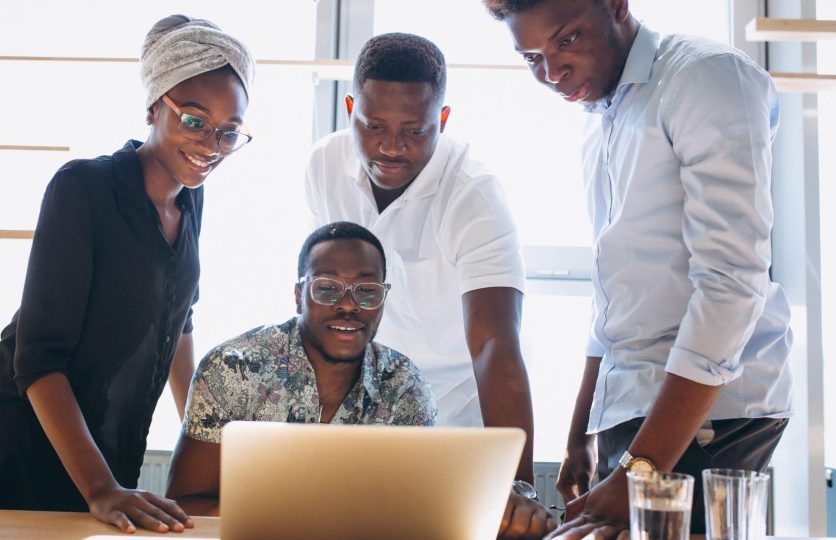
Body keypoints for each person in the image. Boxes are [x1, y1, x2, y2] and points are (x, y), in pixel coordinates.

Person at [483, 0, 795, 537]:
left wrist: (641, 470)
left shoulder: (704, 77)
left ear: (616, 5)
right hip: (634, 415)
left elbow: (731, 284)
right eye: (531, 56)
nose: (552, 72)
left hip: (707, 415)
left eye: (567, 39)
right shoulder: (602, 118)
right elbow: (613, 302)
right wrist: (581, 432)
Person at [0, 14, 255, 534]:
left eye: (228, 132)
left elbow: (179, 323)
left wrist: (206, 445)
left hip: (108, 441)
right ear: (153, 106)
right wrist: (99, 486)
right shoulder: (84, 188)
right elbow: (38, 357)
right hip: (28, 432)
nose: (211, 144)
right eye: (194, 120)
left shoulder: (192, 200)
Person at [304, 33, 552, 538]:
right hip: (355, 429)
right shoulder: (323, 165)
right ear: (350, 108)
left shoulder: (474, 195)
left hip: (452, 428)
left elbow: (494, 343)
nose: (391, 147)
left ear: (441, 120)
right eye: (373, 126)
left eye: (413, 130)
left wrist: (520, 488)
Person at [165, 222, 437, 515]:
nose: (348, 305)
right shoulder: (233, 368)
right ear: (299, 296)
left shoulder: (404, 385)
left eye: (367, 291)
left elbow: (416, 512)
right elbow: (185, 505)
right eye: (327, 288)